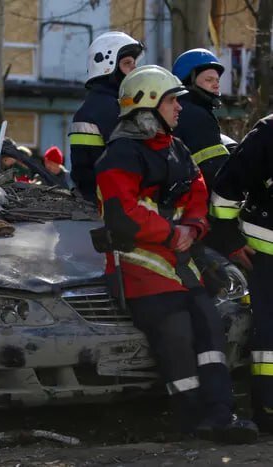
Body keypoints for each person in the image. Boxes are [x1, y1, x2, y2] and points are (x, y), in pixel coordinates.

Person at [94, 65, 258, 442]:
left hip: (181, 265)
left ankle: (220, 415)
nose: (178, 108)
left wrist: (194, 228)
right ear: (147, 106)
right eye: (170, 101)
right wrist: (174, 232)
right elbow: (123, 216)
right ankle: (190, 419)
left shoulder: (176, 149)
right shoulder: (120, 154)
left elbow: (197, 195)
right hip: (141, 269)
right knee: (177, 336)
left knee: (209, 328)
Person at [209, 114, 273, 432]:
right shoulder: (268, 133)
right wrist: (230, 240)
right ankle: (268, 409)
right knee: (269, 342)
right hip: (265, 258)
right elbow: (225, 191)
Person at [69, 31, 144, 202]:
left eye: (134, 63)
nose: (134, 69)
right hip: (109, 203)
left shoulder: (100, 104)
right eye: (127, 63)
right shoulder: (108, 107)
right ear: (108, 67)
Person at [172, 49, 228, 193]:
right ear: (188, 81)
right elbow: (214, 168)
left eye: (217, 80)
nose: (216, 85)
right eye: (209, 80)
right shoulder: (197, 115)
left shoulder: (178, 108)